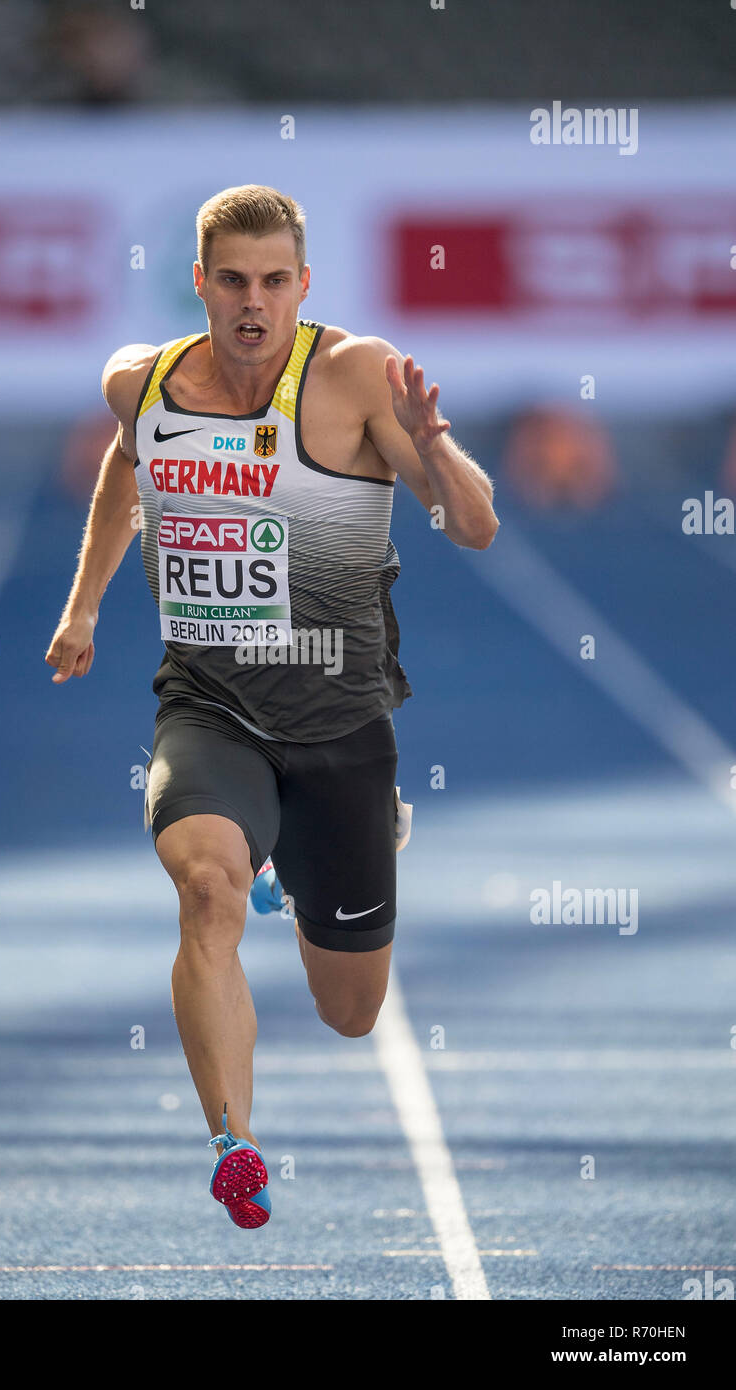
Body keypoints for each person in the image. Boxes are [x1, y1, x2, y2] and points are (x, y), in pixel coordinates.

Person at [45, 184, 498, 1228]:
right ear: (199, 282)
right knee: (205, 886)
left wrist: (432, 447)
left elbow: (472, 527)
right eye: (235, 282)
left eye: (276, 281)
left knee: (350, 1012)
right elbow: (127, 463)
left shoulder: (352, 380)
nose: (255, 303)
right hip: (207, 706)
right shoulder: (140, 383)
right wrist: (84, 607)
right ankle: (232, 1143)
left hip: (340, 723)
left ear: (305, 286)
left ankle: (330, 845)